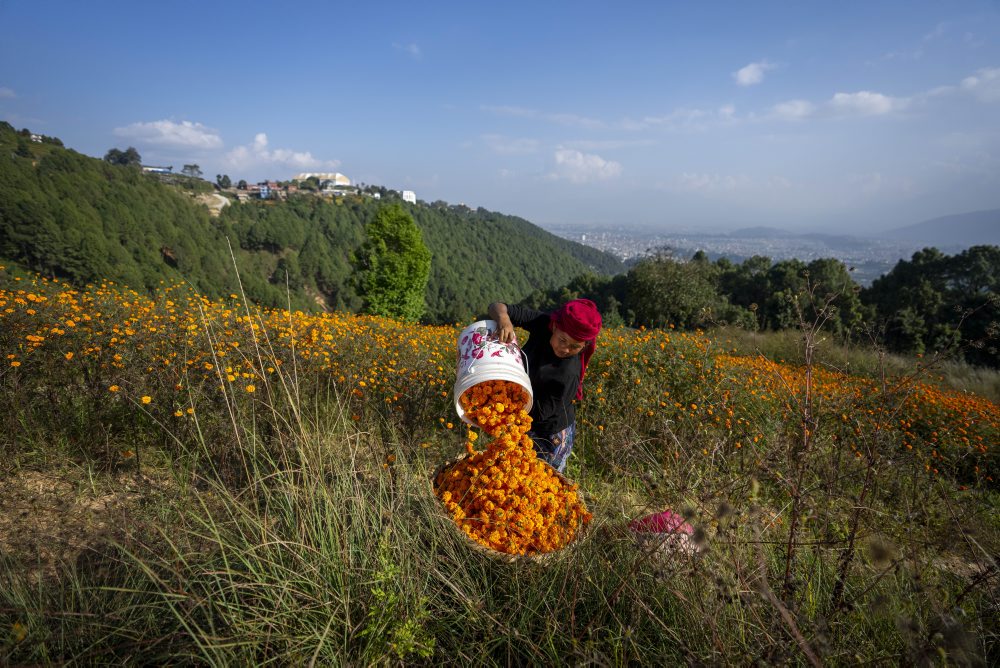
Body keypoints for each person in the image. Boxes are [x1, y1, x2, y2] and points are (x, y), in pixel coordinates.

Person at [487, 299, 602, 472]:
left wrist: (500, 407)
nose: (565, 349)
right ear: (554, 327)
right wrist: (503, 319)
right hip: (524, 413)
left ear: (585, 345)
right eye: (562, 340)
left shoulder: (568, 374)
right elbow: (496, 306)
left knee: (539, 480)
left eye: (575, 347)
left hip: (548, 434)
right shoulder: (543, 324)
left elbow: (539, 413)